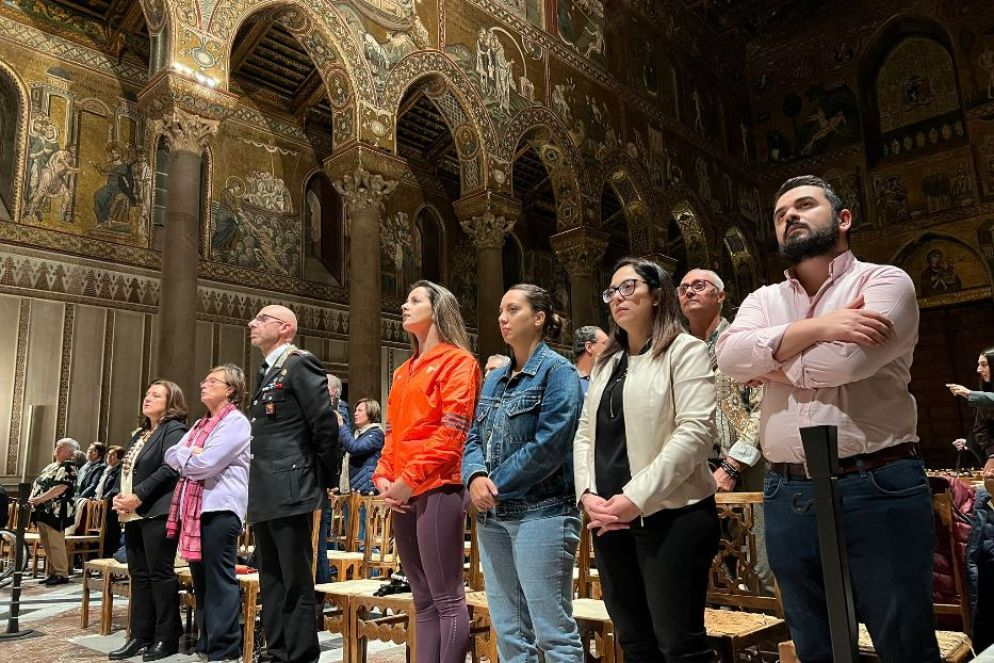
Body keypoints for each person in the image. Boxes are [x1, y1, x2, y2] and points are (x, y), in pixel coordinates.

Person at [716, 175, 941, 662]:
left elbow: (845, 362)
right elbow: (730, 359)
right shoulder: (762, 300)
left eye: (804, 205)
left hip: (876, 481)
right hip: (788, 490)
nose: (790, 216)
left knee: (901, 639)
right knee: (813, 643)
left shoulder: (883, 282)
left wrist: (772, 364)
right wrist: (821, 327)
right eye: (780, 214)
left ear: (842, 219)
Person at [574, 258, 720, 662]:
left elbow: (694, 434)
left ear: (657, 295)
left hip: (671, 516)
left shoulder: (685, 351)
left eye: (628, 287)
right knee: (634, 641)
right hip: (610, 519)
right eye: (611, 292)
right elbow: (586, 432)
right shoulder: (606, 364)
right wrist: (587, 493)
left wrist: (635, 498)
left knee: (680, 645)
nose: (617, 298)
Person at [462, 284, 585, 662]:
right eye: (500, 310)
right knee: (510, 632)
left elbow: (548, 447)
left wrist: (493, 483)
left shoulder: (558, 372)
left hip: (542, 512)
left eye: (512, 309)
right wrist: (474, 476)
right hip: (494, 515)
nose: (502, 317)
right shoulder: (495, 378)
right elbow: (472, 436)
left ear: (539, 317)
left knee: (553, 633)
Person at [373, 280, 481, 663]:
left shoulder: (459, 362)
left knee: (447, 597)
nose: (405, 305)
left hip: (438, 486)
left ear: (437, 309)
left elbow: (453, 432)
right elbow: (392, 434)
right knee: (421, 597)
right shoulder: (403, 371)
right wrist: (384, 477)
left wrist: (408, 480)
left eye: (415, 300)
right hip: (402, 491)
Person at [246, 305, 338, 663]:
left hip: (292, 485)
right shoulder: (267, 370)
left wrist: (323, 479)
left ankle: (299, 655)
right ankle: (277, 650)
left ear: (284, 328)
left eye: (261, 318)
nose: (252, 323)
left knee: (294, 576)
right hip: (266, 487)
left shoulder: (299, 364)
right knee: (270, 576)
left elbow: (325, 426)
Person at [678, 268, 773, 594]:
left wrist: (734, 465)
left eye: (699, 286)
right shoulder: (678, 351)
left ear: (720, 296)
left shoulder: (743, 342)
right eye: (683, 288)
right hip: (695, 472)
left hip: (749, 467)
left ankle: (770, 639)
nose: (689, 291)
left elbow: (763, 406)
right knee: (708, 566)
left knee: (760, 561)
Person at [165, 364, 251, 663]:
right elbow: (171, 453)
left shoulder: (236, 423)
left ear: (230, 389)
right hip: (195, 509)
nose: (204, 384)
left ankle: (225, 648)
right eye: (204, 380)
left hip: (220, 508)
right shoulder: (201, 424)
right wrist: (193, 455)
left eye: (212, 381)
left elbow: (206, 463)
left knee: (218, 579)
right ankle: (206, 642)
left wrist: (190, 456)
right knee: (201, 580)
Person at [109, 380, 188, 662]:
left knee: (159, 573)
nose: (147, 398)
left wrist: (139, 495)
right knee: (139, 574)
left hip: (158, 510)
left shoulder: (174, 429)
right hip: (132, 512)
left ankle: (167, 637)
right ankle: (140, 634)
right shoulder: (140, 433)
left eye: (156, 395)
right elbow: (128, 471)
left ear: (170, 402)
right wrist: (122, 496)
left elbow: (171, 467)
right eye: (147, 394)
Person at [28, 437, 80, 586]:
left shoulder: (69, 467)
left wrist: (40, 499)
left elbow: (60, 488)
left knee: (56, 543)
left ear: (70, 452)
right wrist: (33, 499)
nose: (56, 448)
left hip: (57, 510)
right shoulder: (50, 466)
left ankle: (61, 573)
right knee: (46, 542)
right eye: (57, 445)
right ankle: (54, 572)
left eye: (61, 447)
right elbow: (38, 484)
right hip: (42, 510)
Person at [337, 398, 385, 545]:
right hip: (350, 491)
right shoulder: (357, 434)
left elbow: (355, 448)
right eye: (355, 410)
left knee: (364, 542)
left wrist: (342, 426)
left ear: (370, 413)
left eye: (360, 410)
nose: (355, 413)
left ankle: (371, 569)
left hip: (365, 493)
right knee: (352, 541)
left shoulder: (376, 433)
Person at [948, 348, 994, 477]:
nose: (978, 370)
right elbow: (982, 428)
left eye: (984, 365)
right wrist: (971, 443)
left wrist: (970, 394)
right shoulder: (986, 393)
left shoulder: (984, 398)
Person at [95, 446, 124, 558]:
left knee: (111, 531)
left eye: (113, 455)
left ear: (119, 458)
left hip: (111, 505)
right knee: (103, 532)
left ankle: (109, 555)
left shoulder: (119, 470)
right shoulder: (106, 470)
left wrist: (106, 499)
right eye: (108, 454)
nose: (109, 457)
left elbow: (115, 488)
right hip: (102, 504)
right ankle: (101, 554)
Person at [572, 325, 609, 394]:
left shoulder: (608, 378)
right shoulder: (568, 380)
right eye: (605, 343)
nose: (610, 348)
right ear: (589, 347)